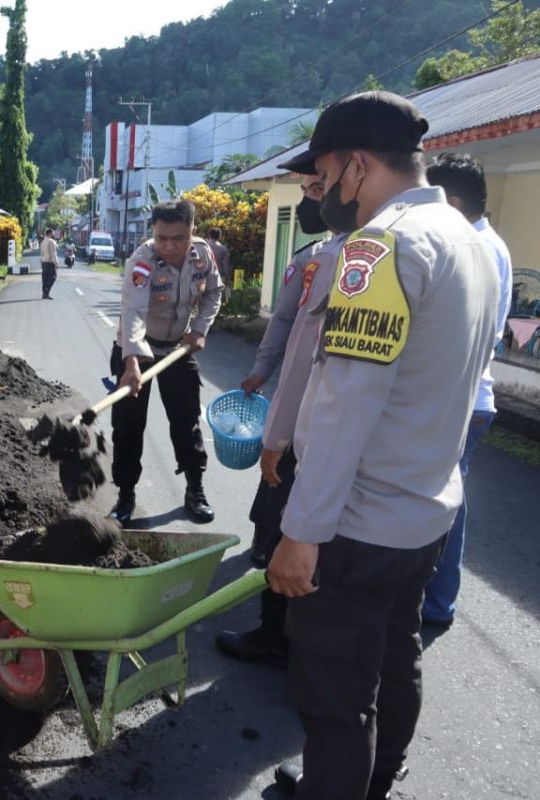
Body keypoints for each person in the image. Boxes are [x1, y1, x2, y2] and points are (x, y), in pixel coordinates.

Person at [266, 92, 499, 800]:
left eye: (329, 172)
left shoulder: (381, 247)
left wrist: (301, 532)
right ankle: (374, 784)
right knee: (395, 664)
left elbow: (345, 403)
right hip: (426, 512)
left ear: (359, 164)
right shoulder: (473, 242)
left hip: (358, 527)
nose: (326, 190)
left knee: (336, 700)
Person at [217, 161, 344, 668]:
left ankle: (286, 638)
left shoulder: (364, 259)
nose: (314, 198)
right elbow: (284, 325)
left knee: (291, 519)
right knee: (275, 513)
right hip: (307, 415)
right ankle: (283, 631)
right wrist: (260, 371)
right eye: (309, 188)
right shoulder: (311, 259)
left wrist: (279, 432)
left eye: (321, 187)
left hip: (319, 418)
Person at [420, 152, 512, 628]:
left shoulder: (476, 248)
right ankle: (435, 601)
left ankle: (435, 604)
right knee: (445, 502)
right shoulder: (481, 242)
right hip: (465, 399)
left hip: (461, 400)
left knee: (442, 507)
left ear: (452, 203)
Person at [110, 199, 224, 524]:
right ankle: (126, 494)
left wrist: (200, 329)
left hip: (178, 348)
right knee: (128, 425)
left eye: (178, 238)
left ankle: (195, 489)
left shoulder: (202, 255)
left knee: (187, 421)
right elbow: (132, 311)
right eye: (162, 238)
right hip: (138, 349)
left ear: (193, 232)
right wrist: (131, 360)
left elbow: (214, 292)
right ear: (153, 233)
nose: (169, 246)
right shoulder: (142, 261)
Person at [40, 227, 59, 298]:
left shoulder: (42, 242)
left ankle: (44, 293)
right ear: (50, 233)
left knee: (45, 278)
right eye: (53, 233)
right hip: (50, 262)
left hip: (44, 262)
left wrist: (41, 262)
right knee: (53, 277)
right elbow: (53, 253)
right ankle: (46, 292)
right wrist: (56, 263)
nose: (53, 234)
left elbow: (41, 253)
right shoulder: (51, 241)